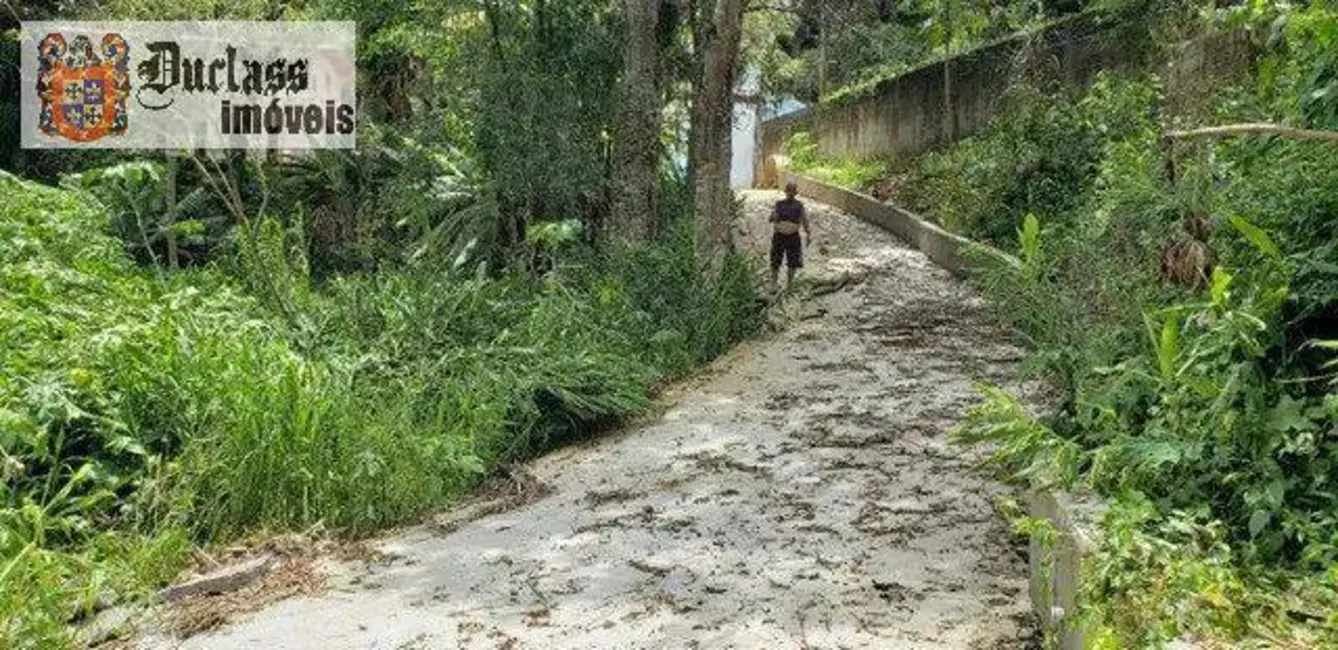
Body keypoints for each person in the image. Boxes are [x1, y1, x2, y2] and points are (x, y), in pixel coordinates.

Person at [769, 181, 810, 292]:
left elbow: (804, 220)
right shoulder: (779, 204)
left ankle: (790, 285)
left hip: (793, 236)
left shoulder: (799, 205)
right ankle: (774, 283)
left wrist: (808, 234)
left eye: (793, 191)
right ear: (785, 192)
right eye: (789, 191)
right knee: (775, 260)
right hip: (779, 236)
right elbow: (770, 219)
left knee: (793, 261)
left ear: (796, 193)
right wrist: (773, 216)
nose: (791, 193)